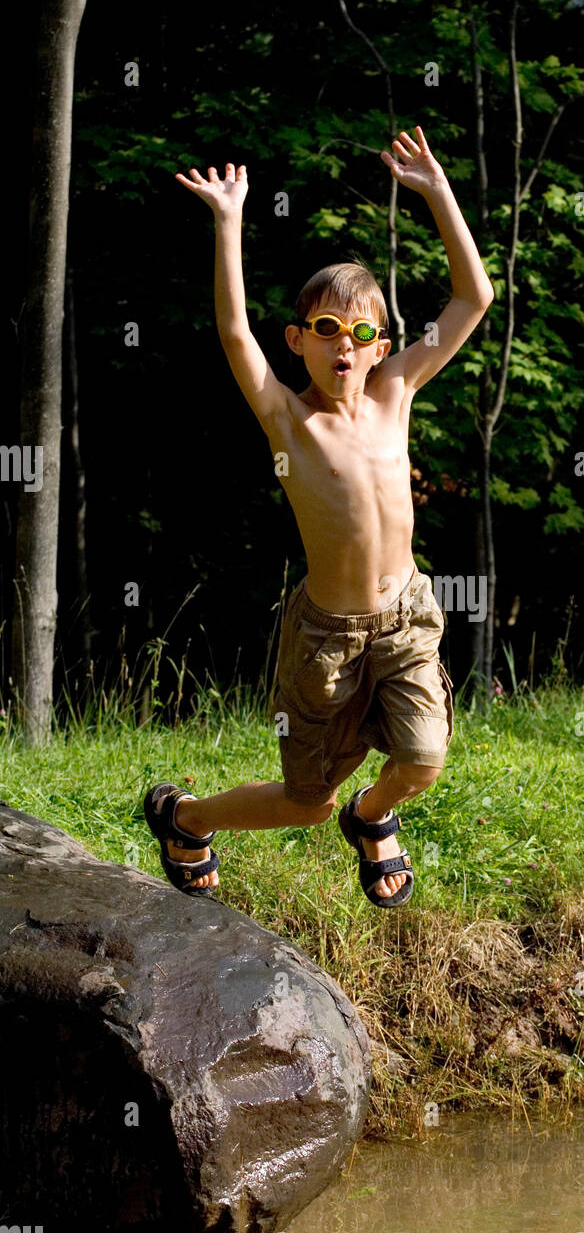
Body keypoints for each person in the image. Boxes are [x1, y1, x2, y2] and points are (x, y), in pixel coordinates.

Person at [145, 126, 494, 909]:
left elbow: (475, 298)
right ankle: (186, 819)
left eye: (362, 331)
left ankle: (375, 819)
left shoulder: (397, 390)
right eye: (328, 329)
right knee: (307, 801)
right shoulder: (287, 421)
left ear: (381, 346)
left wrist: (438, 193)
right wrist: (229, 221)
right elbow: (235, 333)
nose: (347, 343)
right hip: (327, 638)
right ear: (299, 341)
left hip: (405, 614)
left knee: (423, 761)